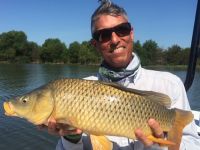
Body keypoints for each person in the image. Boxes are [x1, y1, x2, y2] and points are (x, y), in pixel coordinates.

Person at [42, 0, 200, 149]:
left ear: (131, 33)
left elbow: (193, 145)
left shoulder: (170, 84)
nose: (115, 39)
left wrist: (162, 145)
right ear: (95, 44)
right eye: (104, 35)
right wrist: (71, 138)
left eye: (122, 30)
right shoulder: (75, 92)